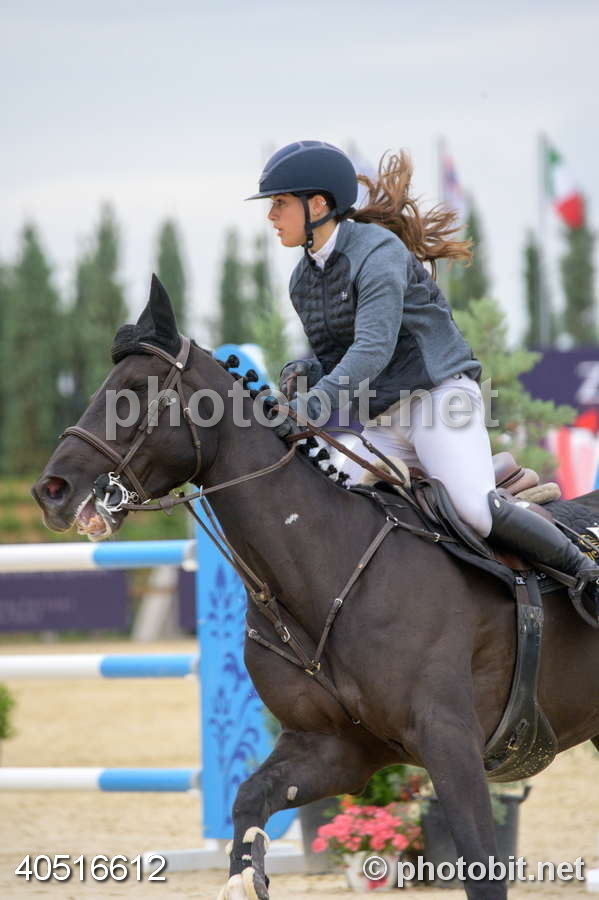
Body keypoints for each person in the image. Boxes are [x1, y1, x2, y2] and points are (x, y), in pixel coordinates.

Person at [246, 140, 599, 624]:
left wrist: (311, 407)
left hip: (437, 399)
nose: (271, 215)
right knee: (334, 512)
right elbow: (340, 361)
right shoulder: (303, 281)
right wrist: (308, 374)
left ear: (319, 205)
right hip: (382, 420)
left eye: (280, 203)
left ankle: (587, 573)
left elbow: (372, 350)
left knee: (474, 511)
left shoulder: (378, 253)